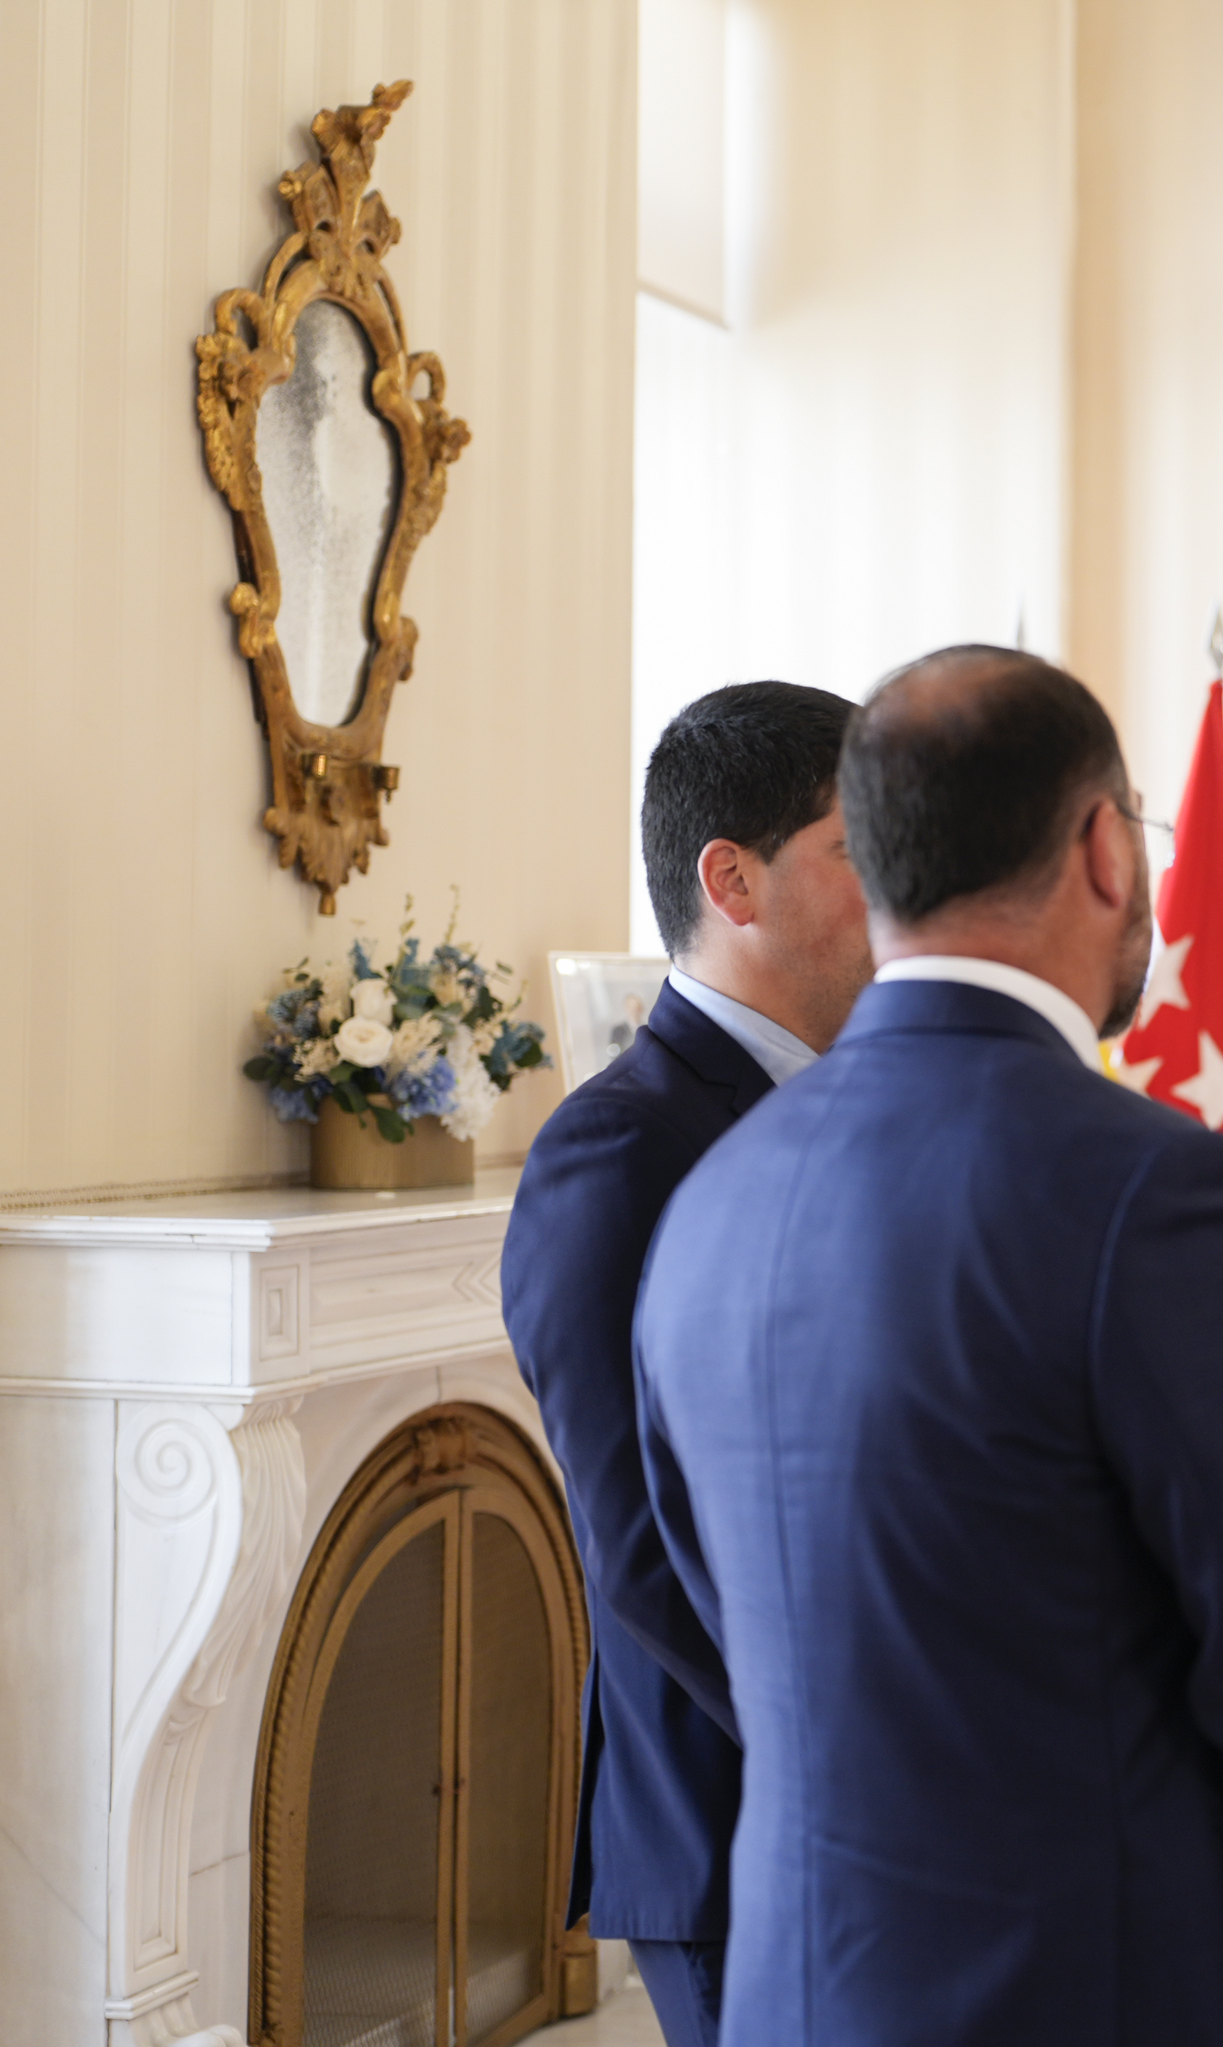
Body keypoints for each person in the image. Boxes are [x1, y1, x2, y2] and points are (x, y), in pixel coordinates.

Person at [633, 646, 1223, 2045]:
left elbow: (711, 1597)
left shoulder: (710, 1196)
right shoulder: (1152, 1187)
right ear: (1106, 846)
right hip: (1093, 1988)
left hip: (800, 1992)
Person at [498, 680, 870, 2047]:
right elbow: (638, 1537)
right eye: (861, 847)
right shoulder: (616, 1149)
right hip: (742, 1811)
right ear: (733, 880)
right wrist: (848, 1750)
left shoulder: (865, 1110)